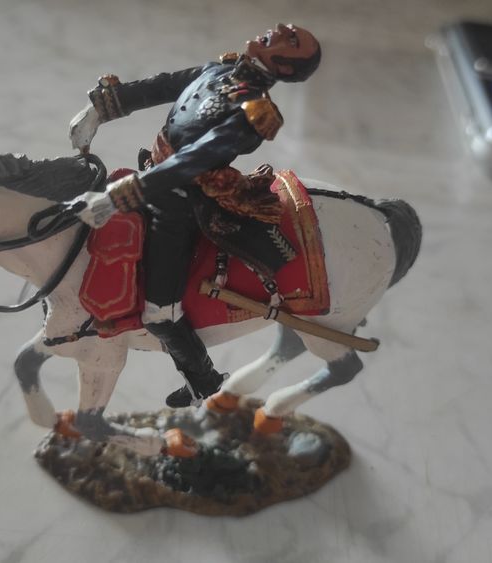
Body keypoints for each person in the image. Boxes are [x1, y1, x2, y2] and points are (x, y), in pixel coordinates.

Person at [68, 24, 322, 407]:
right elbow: (160, 86)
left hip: (180, 202)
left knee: (160, 314)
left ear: (285, 67)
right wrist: (98, 111)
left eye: (292, 39)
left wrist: (122, 195)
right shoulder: (218, 70)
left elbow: (192, 160)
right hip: (151, 172)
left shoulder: (254, 114)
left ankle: (203, 382)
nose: (282, 29)